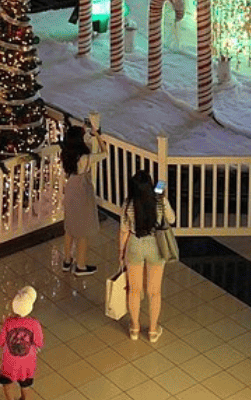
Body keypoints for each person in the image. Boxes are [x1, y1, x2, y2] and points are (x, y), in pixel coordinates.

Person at [119, 169, 176, 343]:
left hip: (135, 244)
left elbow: (124, 231)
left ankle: (134, 328)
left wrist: (121, 253)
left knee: (134, 291)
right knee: (154, 292)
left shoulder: (128, 204)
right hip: (155, 245)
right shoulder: (159, 201)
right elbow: (172, 219)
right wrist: (163, 199)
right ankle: (152, 330)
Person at [60, 122, 107, 276]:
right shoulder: (85, 158)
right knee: (82, 231)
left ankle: (67, 260)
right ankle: (80, 265)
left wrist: (84, 130)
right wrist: (97, 135)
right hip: (82, 191)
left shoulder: (66, 154)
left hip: (70, 189)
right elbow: (105, 153)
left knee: (69, 228)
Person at [0, 286, 43, 400]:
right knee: (25, 385)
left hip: (9, 361)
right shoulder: (34, 324)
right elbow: (39, 342)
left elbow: (1, 341)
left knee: (7, 382)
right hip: (27, 362)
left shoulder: (8, 322)